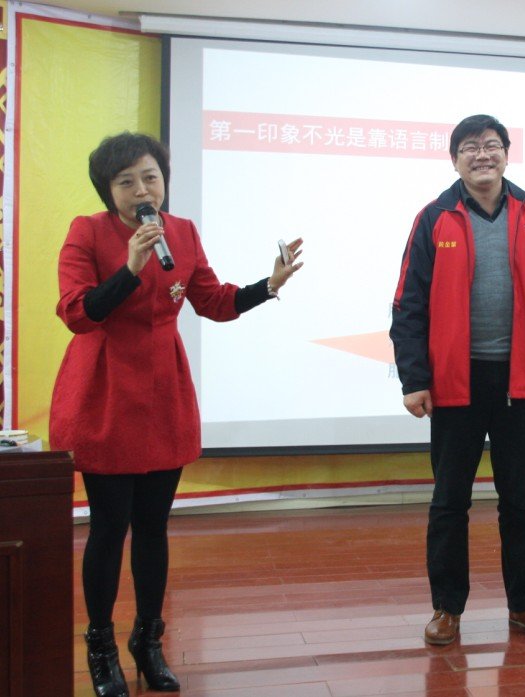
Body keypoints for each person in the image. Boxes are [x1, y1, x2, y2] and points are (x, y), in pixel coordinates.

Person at [50, 132, 303, 696]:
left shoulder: (182, 232)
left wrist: (269, 284)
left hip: (163, 391)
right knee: (109, 526)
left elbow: (212, 302)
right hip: (106, 390)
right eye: (127, 182)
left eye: (151, 177)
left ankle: (148, 639)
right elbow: (77, 313)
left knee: (153, 526)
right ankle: (100, 647)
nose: (143, 190)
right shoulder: (87, 232)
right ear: (108, 191)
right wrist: (130, 266)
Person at [390, 114, 525, 645]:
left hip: (520, 380)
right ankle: (447, 608)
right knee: (450, 502)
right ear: (455, 160)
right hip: (455, 382)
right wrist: (414, 378)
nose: (482, 155)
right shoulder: (434, 217)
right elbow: (407, 303)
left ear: (506, 154)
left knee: (521, 500)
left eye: (491, 145)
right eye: (469, 147)